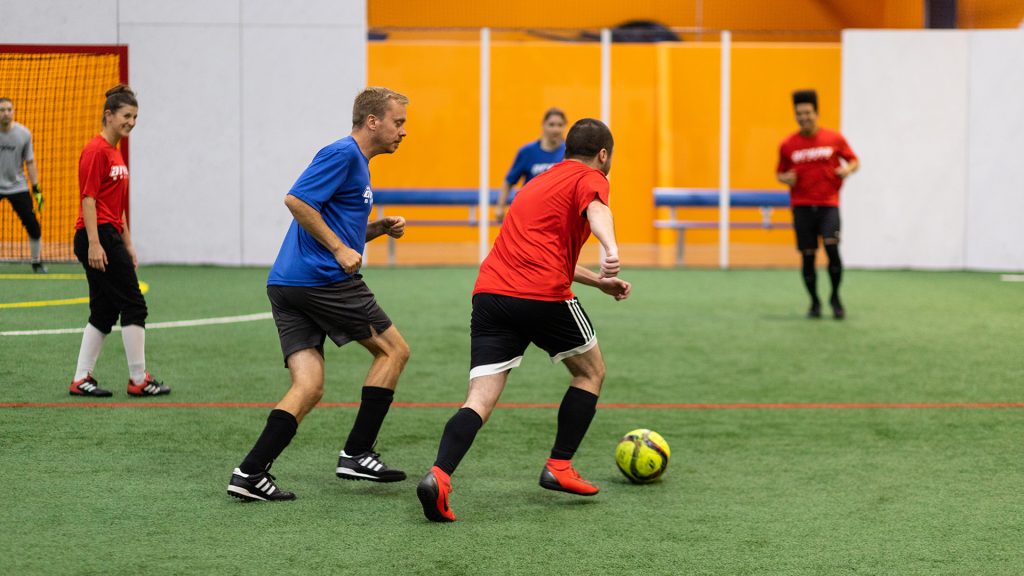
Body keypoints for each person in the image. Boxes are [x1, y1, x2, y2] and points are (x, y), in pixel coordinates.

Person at [416, 118, 631, 522]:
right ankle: (560, 466)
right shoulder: (590, 176)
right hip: (541, 296)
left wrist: (598, 282)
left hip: (491, 294)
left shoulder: (538, 183)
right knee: (590, 372)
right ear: (603, 155)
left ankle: (439, 476)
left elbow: (543, 252)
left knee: (478, 399)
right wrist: (610, 246)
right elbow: (598, 209)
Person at [227, 87, 412, 502]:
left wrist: (375, 229)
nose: (403, 132)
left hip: (289, 283)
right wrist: (338, 248)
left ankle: (250, 473)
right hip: (322, 280)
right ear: (372, 121)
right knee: (394, 351)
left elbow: (332, 223)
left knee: (308, 386)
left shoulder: (358, 165)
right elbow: (296, 200)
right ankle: (357, 453)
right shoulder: (342, 154)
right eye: (398, 123)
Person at [68, 85, 170, 398]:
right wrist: (95, 245)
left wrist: (128, 244)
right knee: (134, 305)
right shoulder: (96, 150)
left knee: (103, 312)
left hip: (109, 235)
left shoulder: (115, 152)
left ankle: (81, 379)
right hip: (95, 235)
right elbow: (89, 199)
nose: (132, 122)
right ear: (109, 115)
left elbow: (117, 206)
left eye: (136, 116)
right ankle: (139, 379)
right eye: (127, 115)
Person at [776, 89, 859, 319]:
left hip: (828, 205)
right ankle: (814, 301)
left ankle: (835, 296)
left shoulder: (834, 139)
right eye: (799, 113)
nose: (804, 117)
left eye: (807, 112)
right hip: (802, 206)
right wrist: (785, 178)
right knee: (808, 255)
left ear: (816, 112)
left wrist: (847, 170)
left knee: (832, 247)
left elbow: (854, 160)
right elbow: (780, 173)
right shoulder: (787, 144)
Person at [0, 97, 47, 273]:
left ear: (13, 111)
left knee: (33, 225)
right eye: (2, 110)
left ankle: (36, 262)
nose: (5, 113)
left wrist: (36, 189)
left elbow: (30, 162)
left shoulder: (24, 134)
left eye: (9, 109)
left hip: (17, 186)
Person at [495, 108, 567, 222]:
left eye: (560, 125)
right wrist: (500, 207)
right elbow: (509, 181)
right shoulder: (527, 152)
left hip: (557, 214)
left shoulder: (568, 152)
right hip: (529, 212)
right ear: (543, 125)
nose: (555, 129)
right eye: (551, 125)